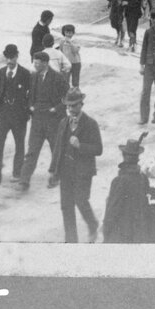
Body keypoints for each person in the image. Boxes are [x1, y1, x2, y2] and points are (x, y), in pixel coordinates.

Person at [49, 88, 103, 243]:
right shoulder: (63, 123)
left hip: (83, 172)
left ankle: (92, 224)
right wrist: (53, 170)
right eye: (68, 106)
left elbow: (98, 149)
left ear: (81, 104)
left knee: (81, 201)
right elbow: (58, 147)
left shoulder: (91, 124)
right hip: (66, 171)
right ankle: (71, 241)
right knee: (66, 207)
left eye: (74, 106)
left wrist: (80, 146)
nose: (70, 110)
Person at [16, 51, 67, 191]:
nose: (35, 65)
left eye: (37, 63)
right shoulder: (34, 77)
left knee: (56, 150)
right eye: (34, 63)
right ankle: (24, 181)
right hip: (37, 119)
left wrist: (56, 109)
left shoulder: (58, 77)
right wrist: (30, 106)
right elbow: (29, 95)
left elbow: (67, 97)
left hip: (52, 120)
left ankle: (57, 176)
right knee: (32, 150)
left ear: (45, 63)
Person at [101, 132, 155, 243]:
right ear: (137, 158)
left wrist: (106, 230)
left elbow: (112, 210)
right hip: (139, 232)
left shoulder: (119, 181)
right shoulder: (143, 178)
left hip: (122, 233)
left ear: (123, 157)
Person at [0, 44, 32, 184]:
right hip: (3, 114)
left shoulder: (25, 73)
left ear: (17, 56)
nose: (9, 60)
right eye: (7, 57)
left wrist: (26, 111)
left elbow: (30, 95)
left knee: (19, 145)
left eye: (12, 57)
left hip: (19, 115)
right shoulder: (2, 72)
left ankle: (17, 173)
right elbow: (0, 91)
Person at [57, 24, 83, 88]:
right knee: (65, 81)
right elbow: (61, 52)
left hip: (76, 63)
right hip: (66, 64)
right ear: (64, 32)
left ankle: (76, 94)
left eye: (70, 32)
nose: (68, 34)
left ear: (73, 33)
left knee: (75, 81)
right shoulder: (62, 41)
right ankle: (66, 95)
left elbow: (75, 50)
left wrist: (70, 43)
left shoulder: (76, 40)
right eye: (66, 32)